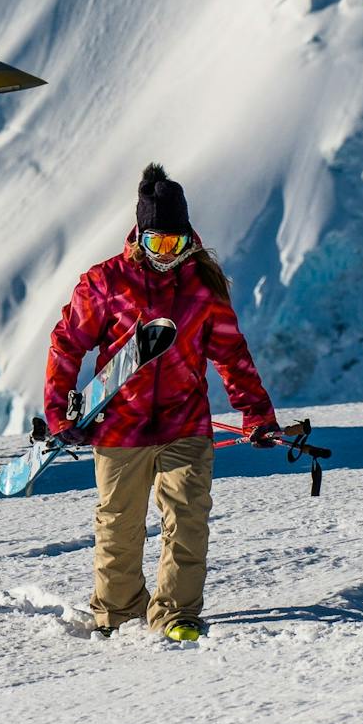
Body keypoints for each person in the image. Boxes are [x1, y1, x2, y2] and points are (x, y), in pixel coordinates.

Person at [44, 163, 279, 642]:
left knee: (188, 519)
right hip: (120, 427)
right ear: (139, 238)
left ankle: (177, 614)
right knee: (119, 526)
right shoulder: (106, 282)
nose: (166, 254)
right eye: (157, 244)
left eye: (175, 244)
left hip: (185, 424)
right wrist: (58, 409)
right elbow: (68, 342)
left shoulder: (202, 289)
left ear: (188, 238)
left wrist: (256, 413)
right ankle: (117, 610)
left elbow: (232, 355)